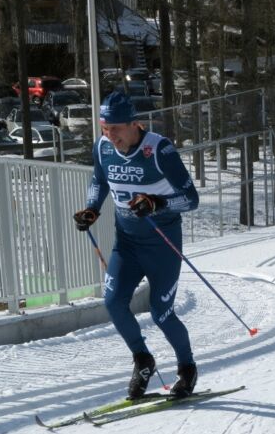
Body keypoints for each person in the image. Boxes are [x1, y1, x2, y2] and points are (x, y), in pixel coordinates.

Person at [72, 91, 200, 398]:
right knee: (113, 302)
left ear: (135, 124)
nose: (110, 135)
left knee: (161, 312)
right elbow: (100, 180)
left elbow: (190, 200)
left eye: (115, 128)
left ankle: (187, 368)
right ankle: (143, 360)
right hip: (126, 243)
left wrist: (156, 203)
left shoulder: (159, 150)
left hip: (162, 246)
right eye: (105, 128)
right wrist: (92, 208)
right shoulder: (103, 147)